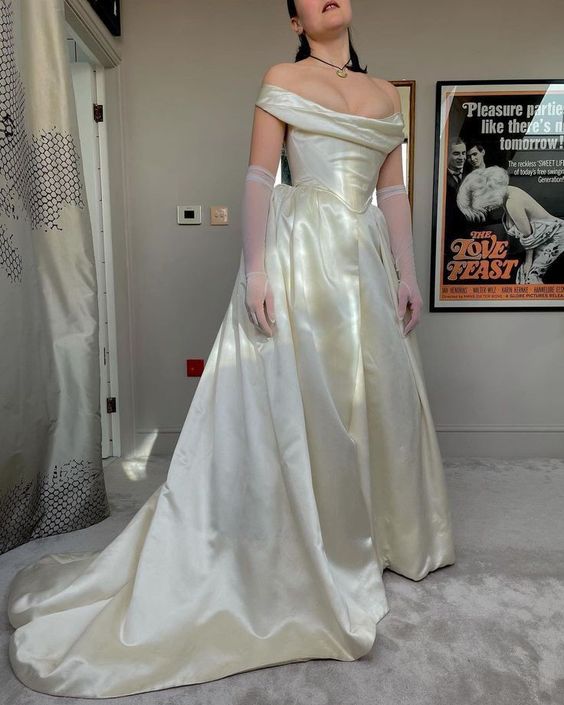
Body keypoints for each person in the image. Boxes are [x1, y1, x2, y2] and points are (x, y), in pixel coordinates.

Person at [7, 0, 455, 698]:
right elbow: (258, 178)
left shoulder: (382, 95)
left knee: (373, 392)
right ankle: (302, 539)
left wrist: (407, 273)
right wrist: (256, 271)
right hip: (303, 253)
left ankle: (377, 532)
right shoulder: (282, 76)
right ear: (295, 20)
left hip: (363, 263)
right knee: (306, 397)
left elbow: (392, 192)